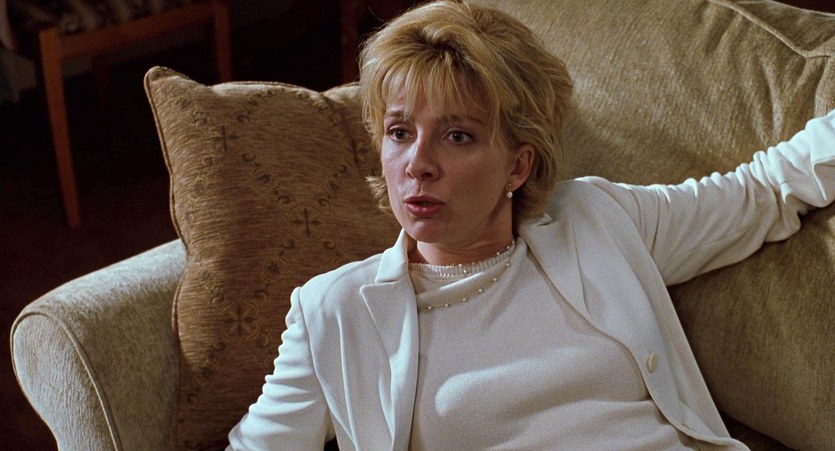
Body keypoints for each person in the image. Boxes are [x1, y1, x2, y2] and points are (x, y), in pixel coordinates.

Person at [227, 1, 835, 449]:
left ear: (518, 165)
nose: (418, 163)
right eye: (400, 132)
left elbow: (761, 191)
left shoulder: (598, 221)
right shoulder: (334, 312)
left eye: (457, 136)